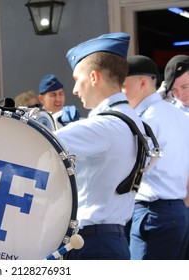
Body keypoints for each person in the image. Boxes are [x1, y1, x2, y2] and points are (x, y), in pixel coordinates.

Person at [54, 32, 147, 260]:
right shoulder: (135, 121)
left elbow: (40, 141)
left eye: (77, 79)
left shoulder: (104, 126)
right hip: (110, 239)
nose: (75, 90)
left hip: (92, 242)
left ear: (94, 77)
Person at [122, 55, 189, 260]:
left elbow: (128, 169)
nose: (120, 93)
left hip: (155, 212)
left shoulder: (146, 119)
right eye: (176, 90)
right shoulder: (178, 115)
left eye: (123, 86)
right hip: (176, 210)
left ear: (142, 83)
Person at [164, 54, 189, 260]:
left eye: (185, 87)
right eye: (174, 90)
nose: (180, 94)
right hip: (181, 202)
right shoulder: (171, 113)